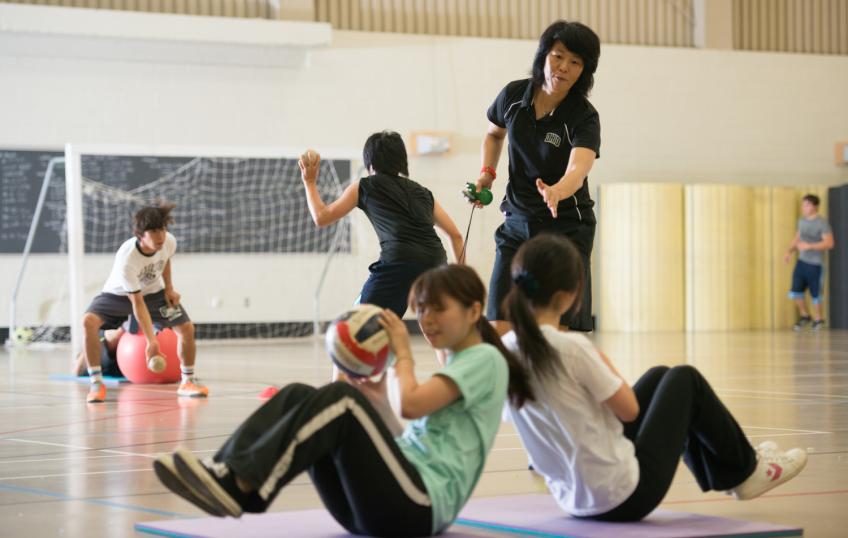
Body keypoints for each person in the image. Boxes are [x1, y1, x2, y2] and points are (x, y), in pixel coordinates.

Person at [153, 265, 530, 536]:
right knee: (302, 393)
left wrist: (402, 352)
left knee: (342, 400)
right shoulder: (460, 364)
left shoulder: (485, 359)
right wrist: (377, 402)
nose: (426, 320)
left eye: (438, 309)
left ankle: (243, 487)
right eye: (421, 310)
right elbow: (408, 437)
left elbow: (411, 405)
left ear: (474, 311)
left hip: (418, 507)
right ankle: (226, 474)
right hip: (375, 507)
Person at [502, 234, 808, 522]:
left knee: (660, 376)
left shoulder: (506, 349)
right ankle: (747, 471)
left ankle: (735, 473)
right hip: (624, 497)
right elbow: (629, 410)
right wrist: (602, 362)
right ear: (568, 296)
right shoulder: (571, 348)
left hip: (572, 498)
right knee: (686, 380)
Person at [473, 20, 601, 333]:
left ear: (584, 71)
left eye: (575, 62)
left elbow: (579, 168)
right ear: (543, 55)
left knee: (555, 332)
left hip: (566, 226)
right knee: (499, 322)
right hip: (518, 221)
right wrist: (487, 174)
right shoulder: (513, 95)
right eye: (558, 56)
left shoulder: (584, 116)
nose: (564, 67)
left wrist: (558, 191)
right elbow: (493, 134)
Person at [300, 131, 465, 317]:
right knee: (434, 326)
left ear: (370, 164)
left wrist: (310, 182)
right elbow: (456, 236)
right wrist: (461, 278)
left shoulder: (365, 186)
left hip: (398, 262)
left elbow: (321, 217)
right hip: (435, 263)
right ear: (401, 160)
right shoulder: (423, 193)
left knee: (360, 321)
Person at [80, 204, 206, 403]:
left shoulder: (168, 241)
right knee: (88, 321)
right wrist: (151, 341)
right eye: (154, 231)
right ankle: (96, 383)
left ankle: (187, 382)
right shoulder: (128, 259)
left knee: (187, 328)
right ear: (140, 235)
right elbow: (137, 303)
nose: (160, 236)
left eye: (162, 229)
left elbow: (165, 260)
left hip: (154, 293)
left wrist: (169, 288)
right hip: (118, 295)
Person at [784, 194, 834, 331]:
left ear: (815, 206)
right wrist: (789, 251)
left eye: (807, 205)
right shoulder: (801, 221)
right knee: (795, 291)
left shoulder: (822, 223)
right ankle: (805, 315)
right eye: (803, 204)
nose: (803, 207)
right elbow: (797, 238)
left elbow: (829, 243)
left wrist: (810, 246)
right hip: (802, 262)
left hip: (815, 264)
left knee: (816, 294)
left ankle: (819, 319)